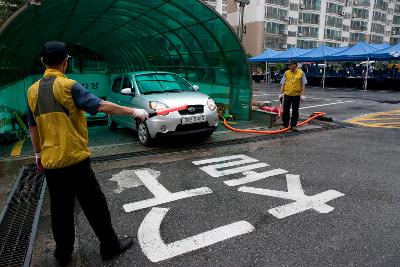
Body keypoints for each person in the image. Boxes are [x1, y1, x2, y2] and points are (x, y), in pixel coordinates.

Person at [27, 41, 149, 265]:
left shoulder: (32, 91)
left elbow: (32, 127)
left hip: (51, 162)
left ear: (43, 62)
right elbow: (101, 106)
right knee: (95, 205)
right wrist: (134, 111)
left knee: (59, 209)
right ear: (65, 62)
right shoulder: (68, 86)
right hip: (74, 160)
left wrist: (37, 155)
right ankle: (109, 246)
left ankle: (63, 253)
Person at [279, 60, 307, 131]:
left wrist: (302, 95)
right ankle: (285, 124)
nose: (288, 66)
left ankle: (293, 125)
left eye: (290, 65)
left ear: (295, 65)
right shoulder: (286, 73)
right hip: (287, 94)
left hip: (296, 95)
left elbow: (303, 84)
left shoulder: (301, 73)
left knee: (295, 110)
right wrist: (281, 93)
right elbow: (283, 83)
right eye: (288, 65)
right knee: (285, 110)